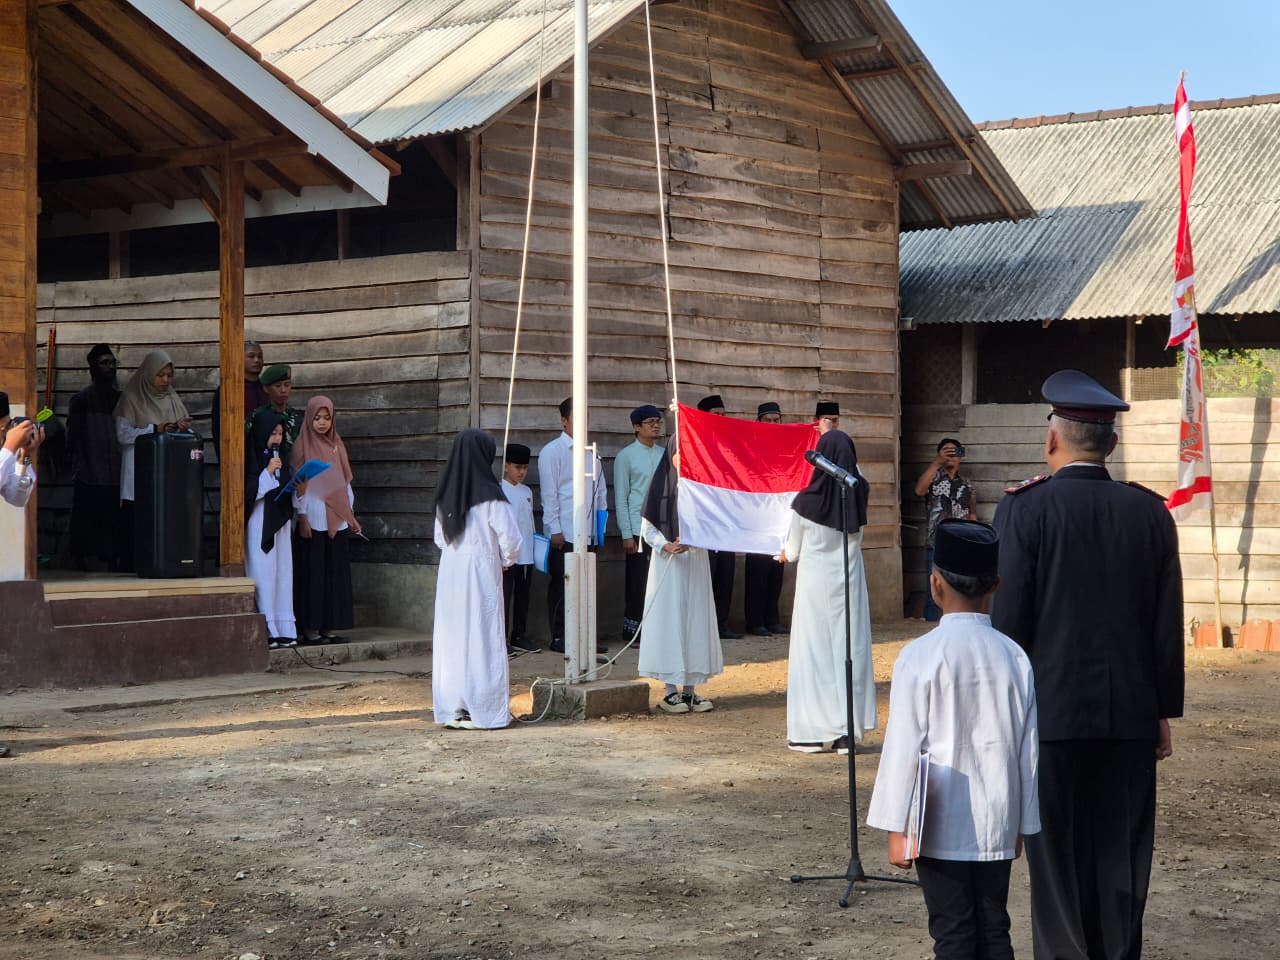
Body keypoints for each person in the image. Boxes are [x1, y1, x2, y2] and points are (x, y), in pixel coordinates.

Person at [991, 370, 1184, 960]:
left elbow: (1010, 626)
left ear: (1052, 440)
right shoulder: (1150, 513)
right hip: (1129, 715)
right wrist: (1160, 712)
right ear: (1113, 445)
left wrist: (1007, 717)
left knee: (1056, 864)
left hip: (1048, 717)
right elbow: (1165, 623)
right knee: (1123, 856)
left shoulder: (1024, 511)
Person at [867, 518, 1040, 960]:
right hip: (998, 813)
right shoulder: (1014, 656)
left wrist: (896, 825)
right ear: (995, 585)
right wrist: (1023, 822)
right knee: (994, 927)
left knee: (953, 931)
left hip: (936, 820)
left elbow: (903, 748)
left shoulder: (920, 656)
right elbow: (1028, 751)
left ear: (935, 583)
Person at [780, 429, 875, 754]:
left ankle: (811, 731)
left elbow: (792, 552)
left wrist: (780, 553)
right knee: (848, 650)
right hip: (849, 583)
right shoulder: (859, 491)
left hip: (815, 585)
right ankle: (846, 732)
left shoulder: (806, 502)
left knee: (815, 654)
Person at [432, 429, 523, 730]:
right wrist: (505, 561)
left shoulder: (445, 496)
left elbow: (440, 539)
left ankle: (452, 707)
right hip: (481, 570)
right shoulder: (492, 496)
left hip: (452, 571)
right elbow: (511, 541)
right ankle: (482, 708)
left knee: (453, 636)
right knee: (482, 635)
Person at [637, 445, 723, 713]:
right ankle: (671, 691)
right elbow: (648, 529)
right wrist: (666, 545)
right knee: (670, 621)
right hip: (669, 565)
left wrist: (694, 540)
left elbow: (713, 524)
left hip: (695, 563)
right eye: (680, 453)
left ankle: (691, 690)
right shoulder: (660, 486)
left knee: (694, 621)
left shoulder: (700, 486)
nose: (684, 459)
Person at [536, 396, 608, 655]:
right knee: (562, 584)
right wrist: (553, 528)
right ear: (564, 421)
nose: (582, 423)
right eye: (577, 418)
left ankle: (584, 637)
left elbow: (599, 492)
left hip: (588, 531)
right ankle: (559, 636)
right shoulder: (552, 452)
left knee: (587, 585)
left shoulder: (593, 453)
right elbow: (550, 495)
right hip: (564, 530)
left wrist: (599, 528)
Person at [113, 350, 192, 571]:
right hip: (137, 471)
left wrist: (181, 426)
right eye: (160, 375)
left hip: (166, 470)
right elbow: (122, 434)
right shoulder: (131, 398)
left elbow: (182, 429)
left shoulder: (172, 397)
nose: (165, 380)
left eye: (169, 375)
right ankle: (132, 567)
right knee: (137, 521)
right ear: (148, 374)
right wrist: (153, 429)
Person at [291, 396, 360, 645]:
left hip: (338, 519)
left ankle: (329, 626)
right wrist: (302, 516)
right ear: (309, 418)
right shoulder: (302, 446)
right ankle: (310, 628)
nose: (322, 423)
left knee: (334, 574)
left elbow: (345, 483)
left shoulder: (337, 445)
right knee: (313, 575)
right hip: (314, 517)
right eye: (317, 418)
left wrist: (349, 514)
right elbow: (298, 486)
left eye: (327, 418)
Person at [66, 344, 123, 570]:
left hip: (115, 470)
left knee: (113, 517)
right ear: (93, 368)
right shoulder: (81, 400)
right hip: (89, 470)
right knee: (87, 516)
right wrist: (80, 466)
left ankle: (111, 559)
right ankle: (81, 561)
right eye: (104, 363)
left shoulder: (121, 399)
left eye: (112, 362)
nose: (109, 367)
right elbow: (74, 437)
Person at [613, 404, 666, 644]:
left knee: (660, 581)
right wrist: (626, 533)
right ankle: (633, 631)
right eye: (649, 422)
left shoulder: (664, 454)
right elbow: (622, 496)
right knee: (637, 582)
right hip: (637, 527)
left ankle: (656, 629)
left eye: (658, 421)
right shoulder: (626, 456)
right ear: (636, 427)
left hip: (661, 527)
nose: (655, 425)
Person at [245, 410, 297, 648]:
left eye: (280, 433)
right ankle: (268, 628)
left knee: (282, 574)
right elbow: (248, 492)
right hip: (260, 519)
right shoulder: (251, 457)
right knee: (264, 573)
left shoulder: (282, 457)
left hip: (281, 523)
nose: (277, 438)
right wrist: (267, 472)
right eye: (273, 433)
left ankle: (284, 627)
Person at [913, 437, 977, 621]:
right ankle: (931, 625)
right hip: (936, 543)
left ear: (961, 456)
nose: (951, 456)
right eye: (946, 451)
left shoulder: (967, 485)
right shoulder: (933, 479)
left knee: (961, 588)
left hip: (962, 544)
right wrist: (936, 462)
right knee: (935, 590)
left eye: (954, 452)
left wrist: (974, 543)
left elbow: (971, 515)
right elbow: (919, 490)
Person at [697, 393, 741, 640]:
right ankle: (705, 627)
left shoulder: (729, 446)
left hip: (727, 519)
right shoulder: (697, 444)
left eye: (725, 415)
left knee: (726, 572)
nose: (722, 419)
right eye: (717, 415)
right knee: (707, 574)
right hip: (705, 520)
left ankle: (721, 624)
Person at [744, 401, 788, 636]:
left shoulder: (785, 446)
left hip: (778, 515)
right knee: (757, 571)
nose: (772, 424)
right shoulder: (752, 445)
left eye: (776, 419)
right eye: (768, 420)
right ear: (759, 421)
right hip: (756, 516)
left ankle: (772, 618)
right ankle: (755, 620)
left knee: (776, 570)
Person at [501, 442, 540, 654]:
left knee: (523, 596)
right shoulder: (499, 490)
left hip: (526, 552)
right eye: (517, 467)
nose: (522, 472)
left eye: (525, 468)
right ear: (506, 466)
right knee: (505, 597)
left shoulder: (527, 491)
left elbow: (529, 522)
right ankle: (502, 637)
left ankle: (519, 634)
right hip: (507, 555)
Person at [210, 340, 267, 451]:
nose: (257, 360)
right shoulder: (228, 390)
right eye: (251, 356)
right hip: (239, 452)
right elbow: (218, 428)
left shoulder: (266, 388)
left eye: (260, 356)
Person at [0, 392, 42, 508]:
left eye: (8, 426)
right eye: (2, 429)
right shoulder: (5, 454)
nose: (6, 433)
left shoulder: (4, 456)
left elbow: (17, 499)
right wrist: (10, 447)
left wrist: (25, 456)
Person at [252, 364, 304, 448]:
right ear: (266, 388)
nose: (283, 390)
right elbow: (255, 450)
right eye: (278, 386)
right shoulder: (257, 416)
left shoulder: (298, 417)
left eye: (287, 385)